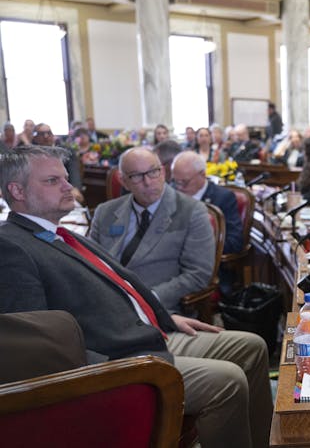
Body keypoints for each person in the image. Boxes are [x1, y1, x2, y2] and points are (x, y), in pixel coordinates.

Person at [0, 145, 272, 448]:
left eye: (66, 178)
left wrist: (157, 314)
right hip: (118, 357)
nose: (70, 187)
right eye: (53, 181)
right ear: (17, 190)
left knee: (252, 346)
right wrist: (114, 369)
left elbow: (114, 285)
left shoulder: (60, 234)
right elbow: (35, 350)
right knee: (228, 381)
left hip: (145, 327)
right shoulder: (12, 247)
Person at [89, 147, 214, 315]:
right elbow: (90, 263)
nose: (148, 182)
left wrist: (150, 297)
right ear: (123, 181)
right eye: (136, 176)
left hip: (154, 308)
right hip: (104, 303)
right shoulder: (105, 212)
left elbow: (198, 274)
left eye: (153, 172)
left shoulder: (192, 211)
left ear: (162, 172)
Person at [172, 151, 243, 254]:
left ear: (202, 175)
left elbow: (235, 243)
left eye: (184, 182)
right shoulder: (171, 192)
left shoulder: (223, 198)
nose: (179, 187)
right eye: (175, 181)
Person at [30, 123, 84, 204]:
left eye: (49, 133)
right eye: (42, 134)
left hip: (64, 191)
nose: (46, 136)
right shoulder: (30, 154)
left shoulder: (66, 151)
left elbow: (74, 171)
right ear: (35, 138)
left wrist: (75, 188)